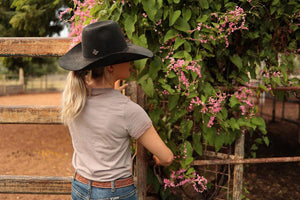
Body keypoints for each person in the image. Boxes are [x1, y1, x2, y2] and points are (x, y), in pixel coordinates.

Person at [58, 20, 173, 200]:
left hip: (80, 187)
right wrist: (158, 157)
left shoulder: (74, 99)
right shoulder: (127, 110)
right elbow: (166, 157)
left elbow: (103, 107)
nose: (129, 63)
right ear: (110, 67)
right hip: (114, 193)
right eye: (124, 58)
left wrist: (113, 89)